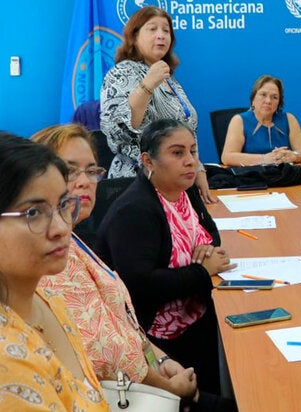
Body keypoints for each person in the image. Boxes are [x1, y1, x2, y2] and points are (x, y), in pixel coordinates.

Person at [33, 124, 226, 408]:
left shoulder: (75, 241)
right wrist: (169, 385)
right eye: (70, 170)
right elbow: (107, 352)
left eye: (91, 171)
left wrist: (160, 359)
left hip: (154, 360)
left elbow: (123, 322)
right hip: (132, 392)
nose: (85, 181)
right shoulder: (52, 260)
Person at [94, 119, 236, 400]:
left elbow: (211, 236)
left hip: (196, 314)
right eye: (177, 153)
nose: (190, 161)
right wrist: (201, 271)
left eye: (193, 151)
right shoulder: (135, 211)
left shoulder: (186, 191)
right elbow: (141, 286)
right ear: (149, 160)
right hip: (157, 338)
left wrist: (208, 250)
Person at [0, 132, 108, 410]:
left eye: (62, 206)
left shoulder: (50, 301)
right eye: (33, 213)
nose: (62, 228)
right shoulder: (7, 365)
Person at [100, 5, 215, 203]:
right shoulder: (122, 73)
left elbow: (186, 132)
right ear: (134, 37)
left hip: (175, 187)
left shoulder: (169, 79)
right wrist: (147, 85)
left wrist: (198, 168)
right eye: (152, 29)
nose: (161, 35)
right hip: (137, 187)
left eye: (166, 30)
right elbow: (120, 130)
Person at [221, 75, 301, 166]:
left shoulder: (289, 119)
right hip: (251, 177)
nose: (268, 101)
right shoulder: (239, 120)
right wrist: (264, 159)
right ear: (253, 98)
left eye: (274, 97)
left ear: (279, 102)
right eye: (263, 95)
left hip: (283, 177)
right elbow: (227, 157)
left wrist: (293, 156)